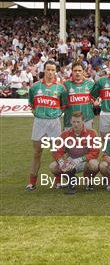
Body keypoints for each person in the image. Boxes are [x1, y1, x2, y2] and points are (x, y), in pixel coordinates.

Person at [26, 60, 67, 191]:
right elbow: (32, 105)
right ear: (44, 70)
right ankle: (32, 182)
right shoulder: (35, 87)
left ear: (56, 71)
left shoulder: (61, 88)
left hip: (54, 122)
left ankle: (58, 181)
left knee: (56, 153)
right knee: (37, 152)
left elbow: (63, 106)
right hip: (39, 122)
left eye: (52, 70)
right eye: (48, 69)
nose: (50, 72)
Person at [50, 111, 99, 194]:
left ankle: (88, 180)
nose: (75, 124)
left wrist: (81, 159)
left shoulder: (91, 133)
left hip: (84, 162)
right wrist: (61, 162)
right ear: (70, 122)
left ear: (83, 122)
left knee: (94, 164)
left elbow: (95, 152)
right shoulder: (65, 134)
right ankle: (71, 179)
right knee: (53, 166)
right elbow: (57, 151)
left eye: (78, 122)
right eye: (73, 122)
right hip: (70, 162)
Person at [63, 61, 95, 130]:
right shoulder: (65, 84)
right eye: (75, 70)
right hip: (70, 122)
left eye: (80, 70)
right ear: (72, 71)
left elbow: (96, 99)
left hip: (87, 121)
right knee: (70, 140)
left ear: (83, 71)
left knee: (87, 140)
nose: (77, 72)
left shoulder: (90, 84)